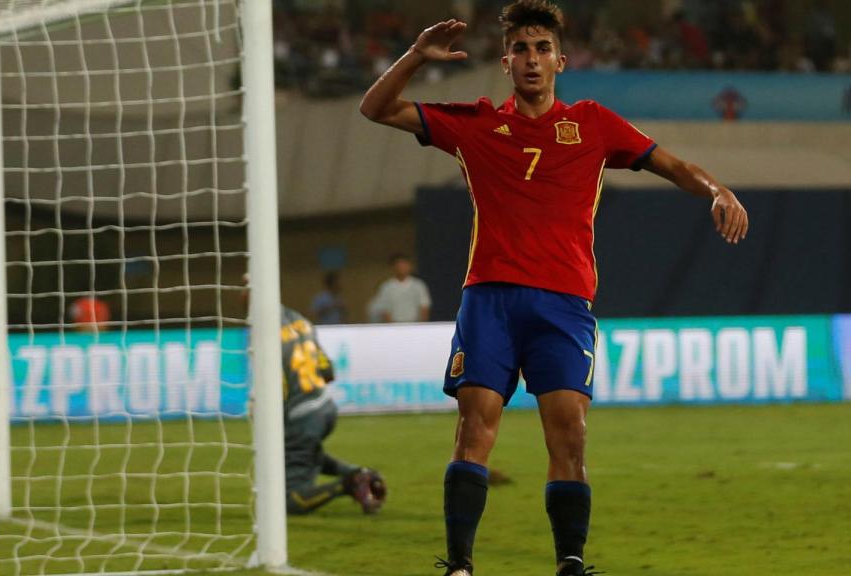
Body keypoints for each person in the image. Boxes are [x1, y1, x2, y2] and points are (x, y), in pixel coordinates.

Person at [359, 2, 748, 575]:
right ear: (506, 60)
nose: (532, 59)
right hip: (489, 298)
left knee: (569, 437)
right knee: (475, 428)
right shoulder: (473, 123)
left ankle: (569, 563)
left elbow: (671, 163)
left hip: (564, 305)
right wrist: (417, 55)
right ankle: (460, 566)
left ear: (561, 60)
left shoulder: (593, 123)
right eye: (521, 49)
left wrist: (719, 190)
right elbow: (375, 108)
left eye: (542, 48)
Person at [279, 304, 386, 514]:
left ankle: (350, 483)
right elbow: (328, 371)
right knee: (300, 451)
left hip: (302, 415)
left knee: (288, 501)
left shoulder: (265, 332)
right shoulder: (301, 322)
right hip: (324, 406)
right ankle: (361, 473)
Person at [373, 253, 432, 322]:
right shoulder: (386, 287)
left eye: (404, 264)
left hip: (415, 326)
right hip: (395, 326)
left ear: (410, 266)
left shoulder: (419, 285)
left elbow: (424, 306)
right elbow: (385, 309)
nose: (401, 268)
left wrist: (421, 326)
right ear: (393, 267)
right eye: (398, 265)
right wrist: (393, 328)